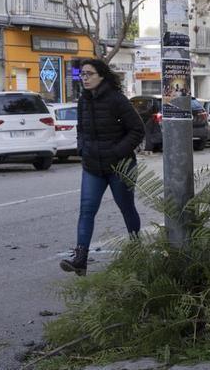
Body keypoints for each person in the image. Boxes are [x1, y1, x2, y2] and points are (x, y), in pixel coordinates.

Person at [60, 59, 145, 276]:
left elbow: (137, 130)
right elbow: (81, 129)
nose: (85, 78)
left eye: (89, 74)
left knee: (126, 207)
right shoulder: (84, 100)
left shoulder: (117, 99)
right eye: (83, 74)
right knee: (86, 210)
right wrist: (82, 149)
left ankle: (138, 251)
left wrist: (117, 152)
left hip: (119, 166)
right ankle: (80, 259)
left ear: (102, 76)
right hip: (92, 166)